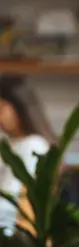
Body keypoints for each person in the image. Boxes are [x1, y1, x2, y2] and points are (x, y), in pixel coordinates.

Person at [0, 75, 57, 236]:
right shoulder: (7, 143)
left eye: (2, 108)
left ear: (20, 107)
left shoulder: (34, 146)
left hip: (12, 238)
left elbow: (17, 203)